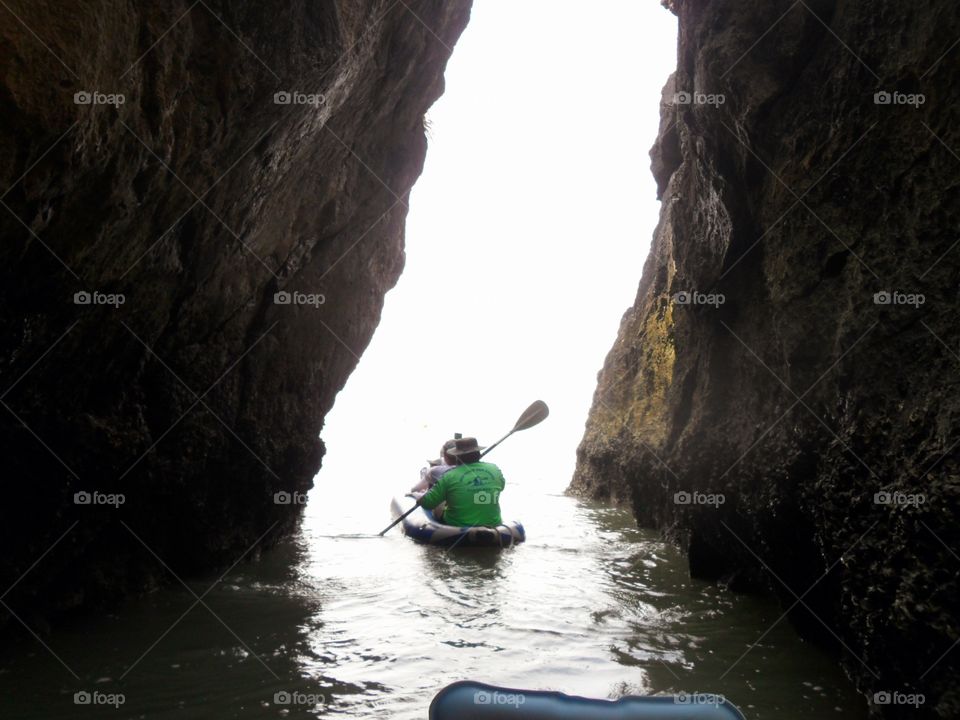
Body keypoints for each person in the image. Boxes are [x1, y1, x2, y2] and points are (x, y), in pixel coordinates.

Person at [418, 437, 505, 527]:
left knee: (442, 502)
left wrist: (420, 500)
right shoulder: (494, 469)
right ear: (478, 453)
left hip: (457, 524)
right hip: (493, 523)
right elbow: (501, 486)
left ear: (457, 456)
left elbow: (427, 503)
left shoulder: (449, 476)